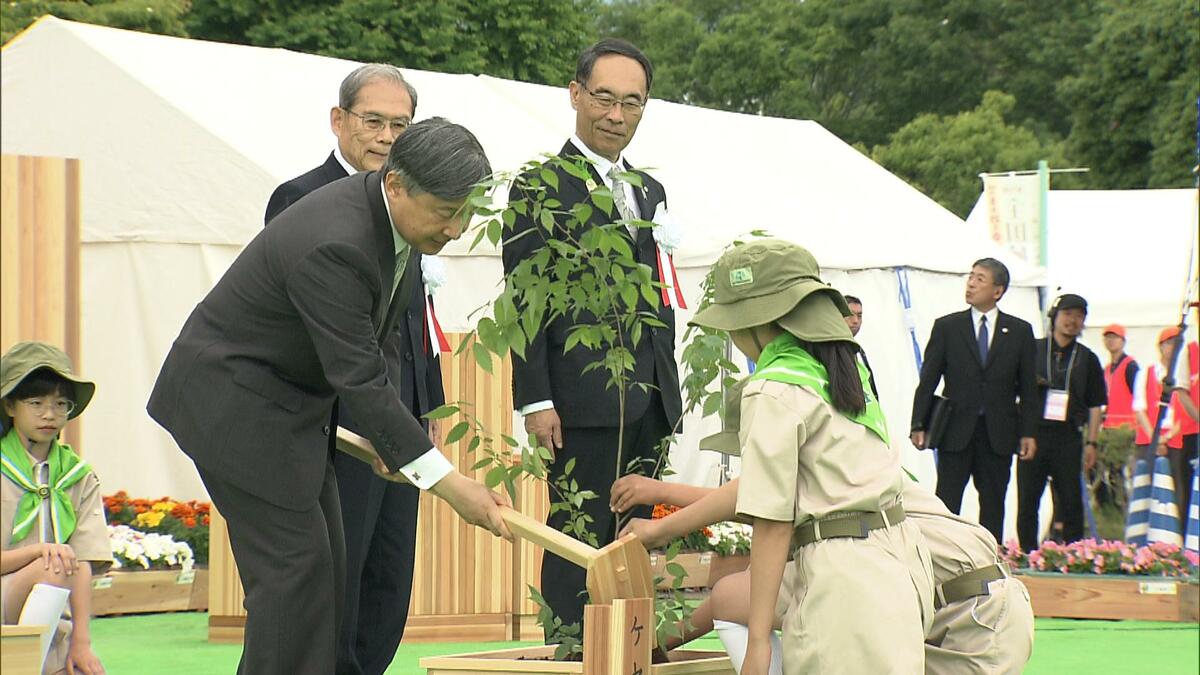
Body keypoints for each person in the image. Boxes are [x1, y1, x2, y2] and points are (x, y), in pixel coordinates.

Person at [147, 118, 513, 675]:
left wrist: (391, 440)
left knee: (327, 574)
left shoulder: (397, 225)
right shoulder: (337, 243)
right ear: (396, 185)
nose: (458, 230)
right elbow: (359, 377)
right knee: (294, 577)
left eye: (466, 212)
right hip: (233, 405)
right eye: (447, 212)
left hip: (287, 408)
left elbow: (379, 337)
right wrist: (448, 482)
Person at [264, 63, 443, 675]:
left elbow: (414, 324)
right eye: (374, 121)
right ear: (339, 120)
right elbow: (323, 334)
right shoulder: (302, 197)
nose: (387, 136)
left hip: (399, 419)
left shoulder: (413, 200)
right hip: (337, 425)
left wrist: (427, 409)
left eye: (401, 124)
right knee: (337, 580)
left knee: (390, 578)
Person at [500, 38, 682, 636]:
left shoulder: (650, 191)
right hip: (579, 401)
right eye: (604, 98)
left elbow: (659, 295)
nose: (616, 115)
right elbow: (523, 302)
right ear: (576, 95)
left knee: (637, 538)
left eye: (633, 103)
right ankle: (571, 646)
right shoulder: (539, 188)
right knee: (577, 533)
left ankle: (628, 645)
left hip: (648, 396)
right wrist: (536, 399)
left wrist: (668, 388)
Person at [688, 239, 932, 675]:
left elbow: (772, 520)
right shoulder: (842, 365)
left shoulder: (774, 389)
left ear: (756, 321)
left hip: (842, 580)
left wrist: (759, 640)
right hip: (899, 559)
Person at [910, 258, 1038, 543]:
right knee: (946, 500)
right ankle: (941, 553)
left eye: (980, 278)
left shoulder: (1019, 331)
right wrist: (919, 423)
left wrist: (1028, 431)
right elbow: (929, 379)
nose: (971, 283)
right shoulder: (948, 327)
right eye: (971, 276)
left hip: (999, 431)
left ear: (998, 290)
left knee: (994, 501)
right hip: (955, 429)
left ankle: (988, 557)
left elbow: (1028, 388)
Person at [1, 342, 109, 675]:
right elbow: (58, 563)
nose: (50, 415)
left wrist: (82, 642)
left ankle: (48, 658)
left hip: (52, 615)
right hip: (9, 596)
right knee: (55, 564)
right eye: (36, 403)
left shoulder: (78, 475)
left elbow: (85, 559)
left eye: (61, 404)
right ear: (9, 406)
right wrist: (39, 552)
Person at [1016, 294, 1106, 552]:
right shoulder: (1032, 349)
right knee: (1028, 499)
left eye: (1079, 316)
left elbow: (1095, 404)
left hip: (1068, 435)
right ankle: (1026, 554)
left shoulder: (1087, 358)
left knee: (1070, 500)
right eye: (1067, 314)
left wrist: (1092, 442)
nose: (1072, 321)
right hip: (1033, 433)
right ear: (1055, 317)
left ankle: (1074, 555)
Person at [1132, 327, 1192, 519]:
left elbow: (1187, 410)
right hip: (1149, 437)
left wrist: (1167, 436)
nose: (1173, 348)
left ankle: (1176, 531)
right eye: (1169, 343)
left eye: (1177, 344)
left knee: (1177, 487)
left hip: (1176, 437)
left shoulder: (1185, 376)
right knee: (1147, 483)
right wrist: (1156, 439)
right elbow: (1139, 407)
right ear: (1161, 347)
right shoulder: (1146, 373)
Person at [1100, 324, 1139, 430]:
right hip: (1109, 425)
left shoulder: (1130, 366)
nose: (1110, 341)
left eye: (1114, 337)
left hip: (1127, 427)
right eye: (1107, 337)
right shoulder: (1107, 369)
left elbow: (1139, 397)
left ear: (1123, 341)